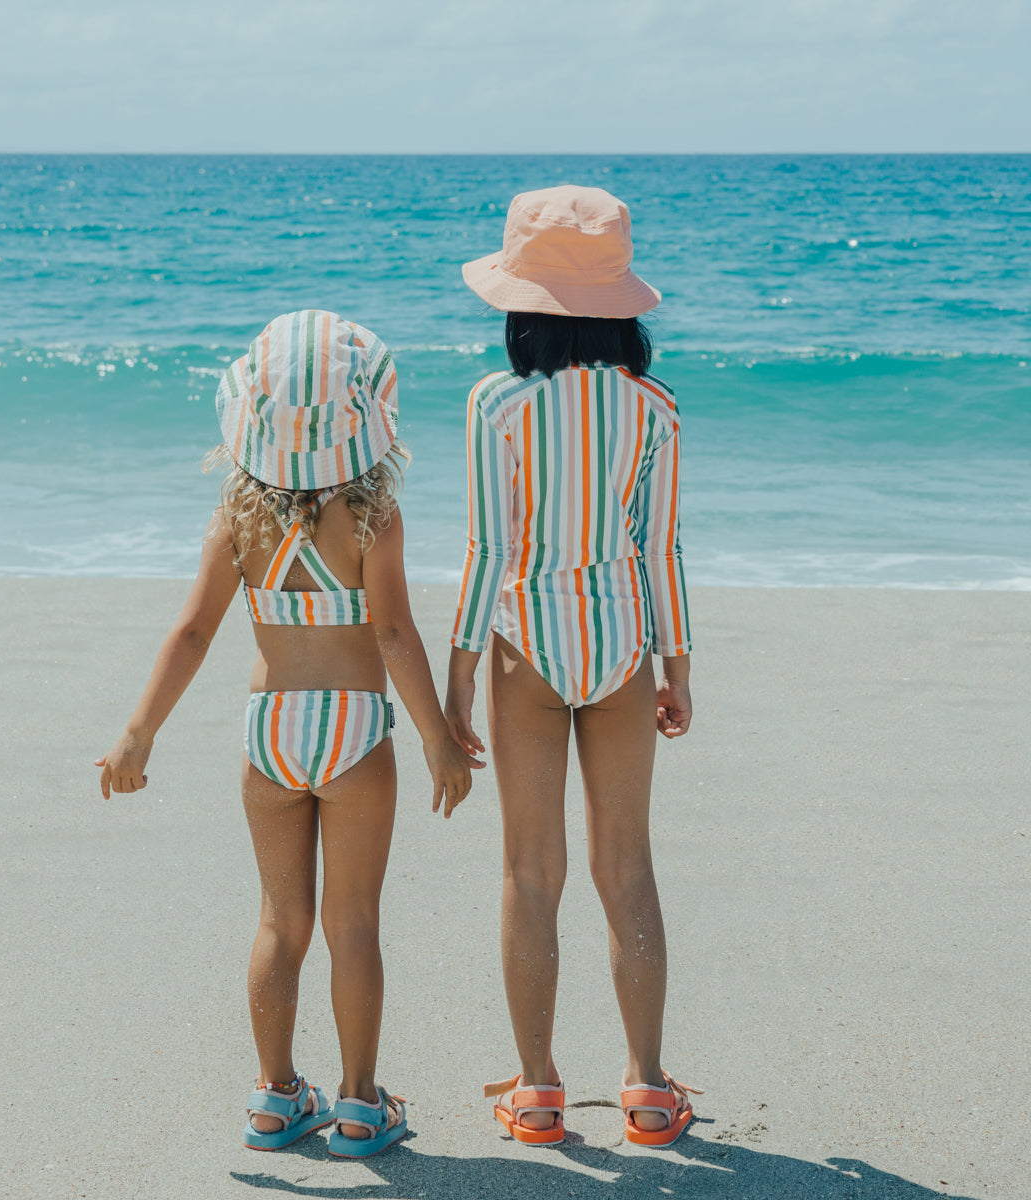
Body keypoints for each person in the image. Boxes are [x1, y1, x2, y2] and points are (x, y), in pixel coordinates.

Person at [97, 310, 478, 1158]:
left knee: (279, 921)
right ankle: (358, 1105)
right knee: (354, 924)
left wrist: (137, 734)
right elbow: (392, 635)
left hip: (269, 730)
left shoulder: (237, 518)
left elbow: (192, 633)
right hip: (352, 729)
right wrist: (436, 739)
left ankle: (273, 1100)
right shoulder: (374, 516)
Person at [444, 186, 700, 1147]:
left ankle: (540, 1090)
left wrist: (461, 671)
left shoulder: (497, 405)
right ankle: (643, 1086)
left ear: (523, 306)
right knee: (627, 866)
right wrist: (676, 664)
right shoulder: (656, 409)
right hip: (624, 644)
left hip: (525, 650)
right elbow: (663, 547)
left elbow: (485, 547)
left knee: (530, 868)